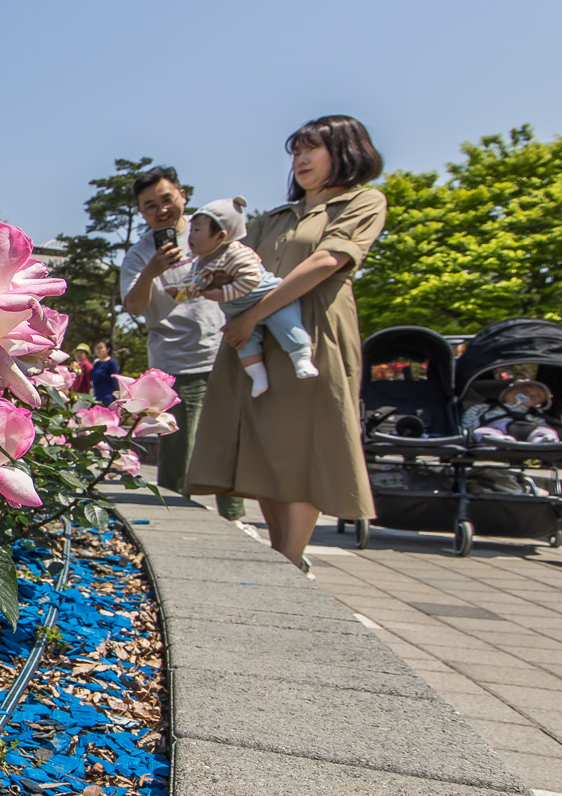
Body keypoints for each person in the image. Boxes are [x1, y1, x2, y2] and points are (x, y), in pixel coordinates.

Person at [189, 115, 389, 575]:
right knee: (263, 443)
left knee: (303, 444)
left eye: (311, 149)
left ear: (346, 152)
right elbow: (242, 269)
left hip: (314, 333)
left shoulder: (362, 201)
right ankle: (284, 557)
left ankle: (289, 559)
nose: (300, 159)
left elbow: (326, 261)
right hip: (253, 337)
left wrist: (255, 314)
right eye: (296, 151)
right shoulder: (274, 218)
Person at [121, 166, 243, 520]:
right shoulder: (140, 255)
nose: (160, 209)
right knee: (178, 445)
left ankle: (233, 517)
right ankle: (176, 515)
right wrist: (152, 271)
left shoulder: (212, 232)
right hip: (176, 362)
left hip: (225, 352)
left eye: (166, 199)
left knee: (227, 441)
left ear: (182, 196)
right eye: (149, 205)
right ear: (141, 212)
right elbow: (133, 305)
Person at [185, 197, 318, 397]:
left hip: (268, 298)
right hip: (237, 310)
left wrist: (222, 293)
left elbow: (251, 279)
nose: (190, 236)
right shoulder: (200, 261)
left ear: (221, 236)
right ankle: (258, 377)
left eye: (197, 230)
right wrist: (188, 290)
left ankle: (302, 359)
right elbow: (197, 282)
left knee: (288, 326)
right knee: (245, 346)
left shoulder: (238, 254)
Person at [89, 340, 121, 405]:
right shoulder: (96, 364)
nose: (98, 350)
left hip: (108, 397)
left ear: (108, 349)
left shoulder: (111, 363)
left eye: (100, 348)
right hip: (97, 397)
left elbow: (115, 380)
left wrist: (116, 396)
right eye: (97, 348)